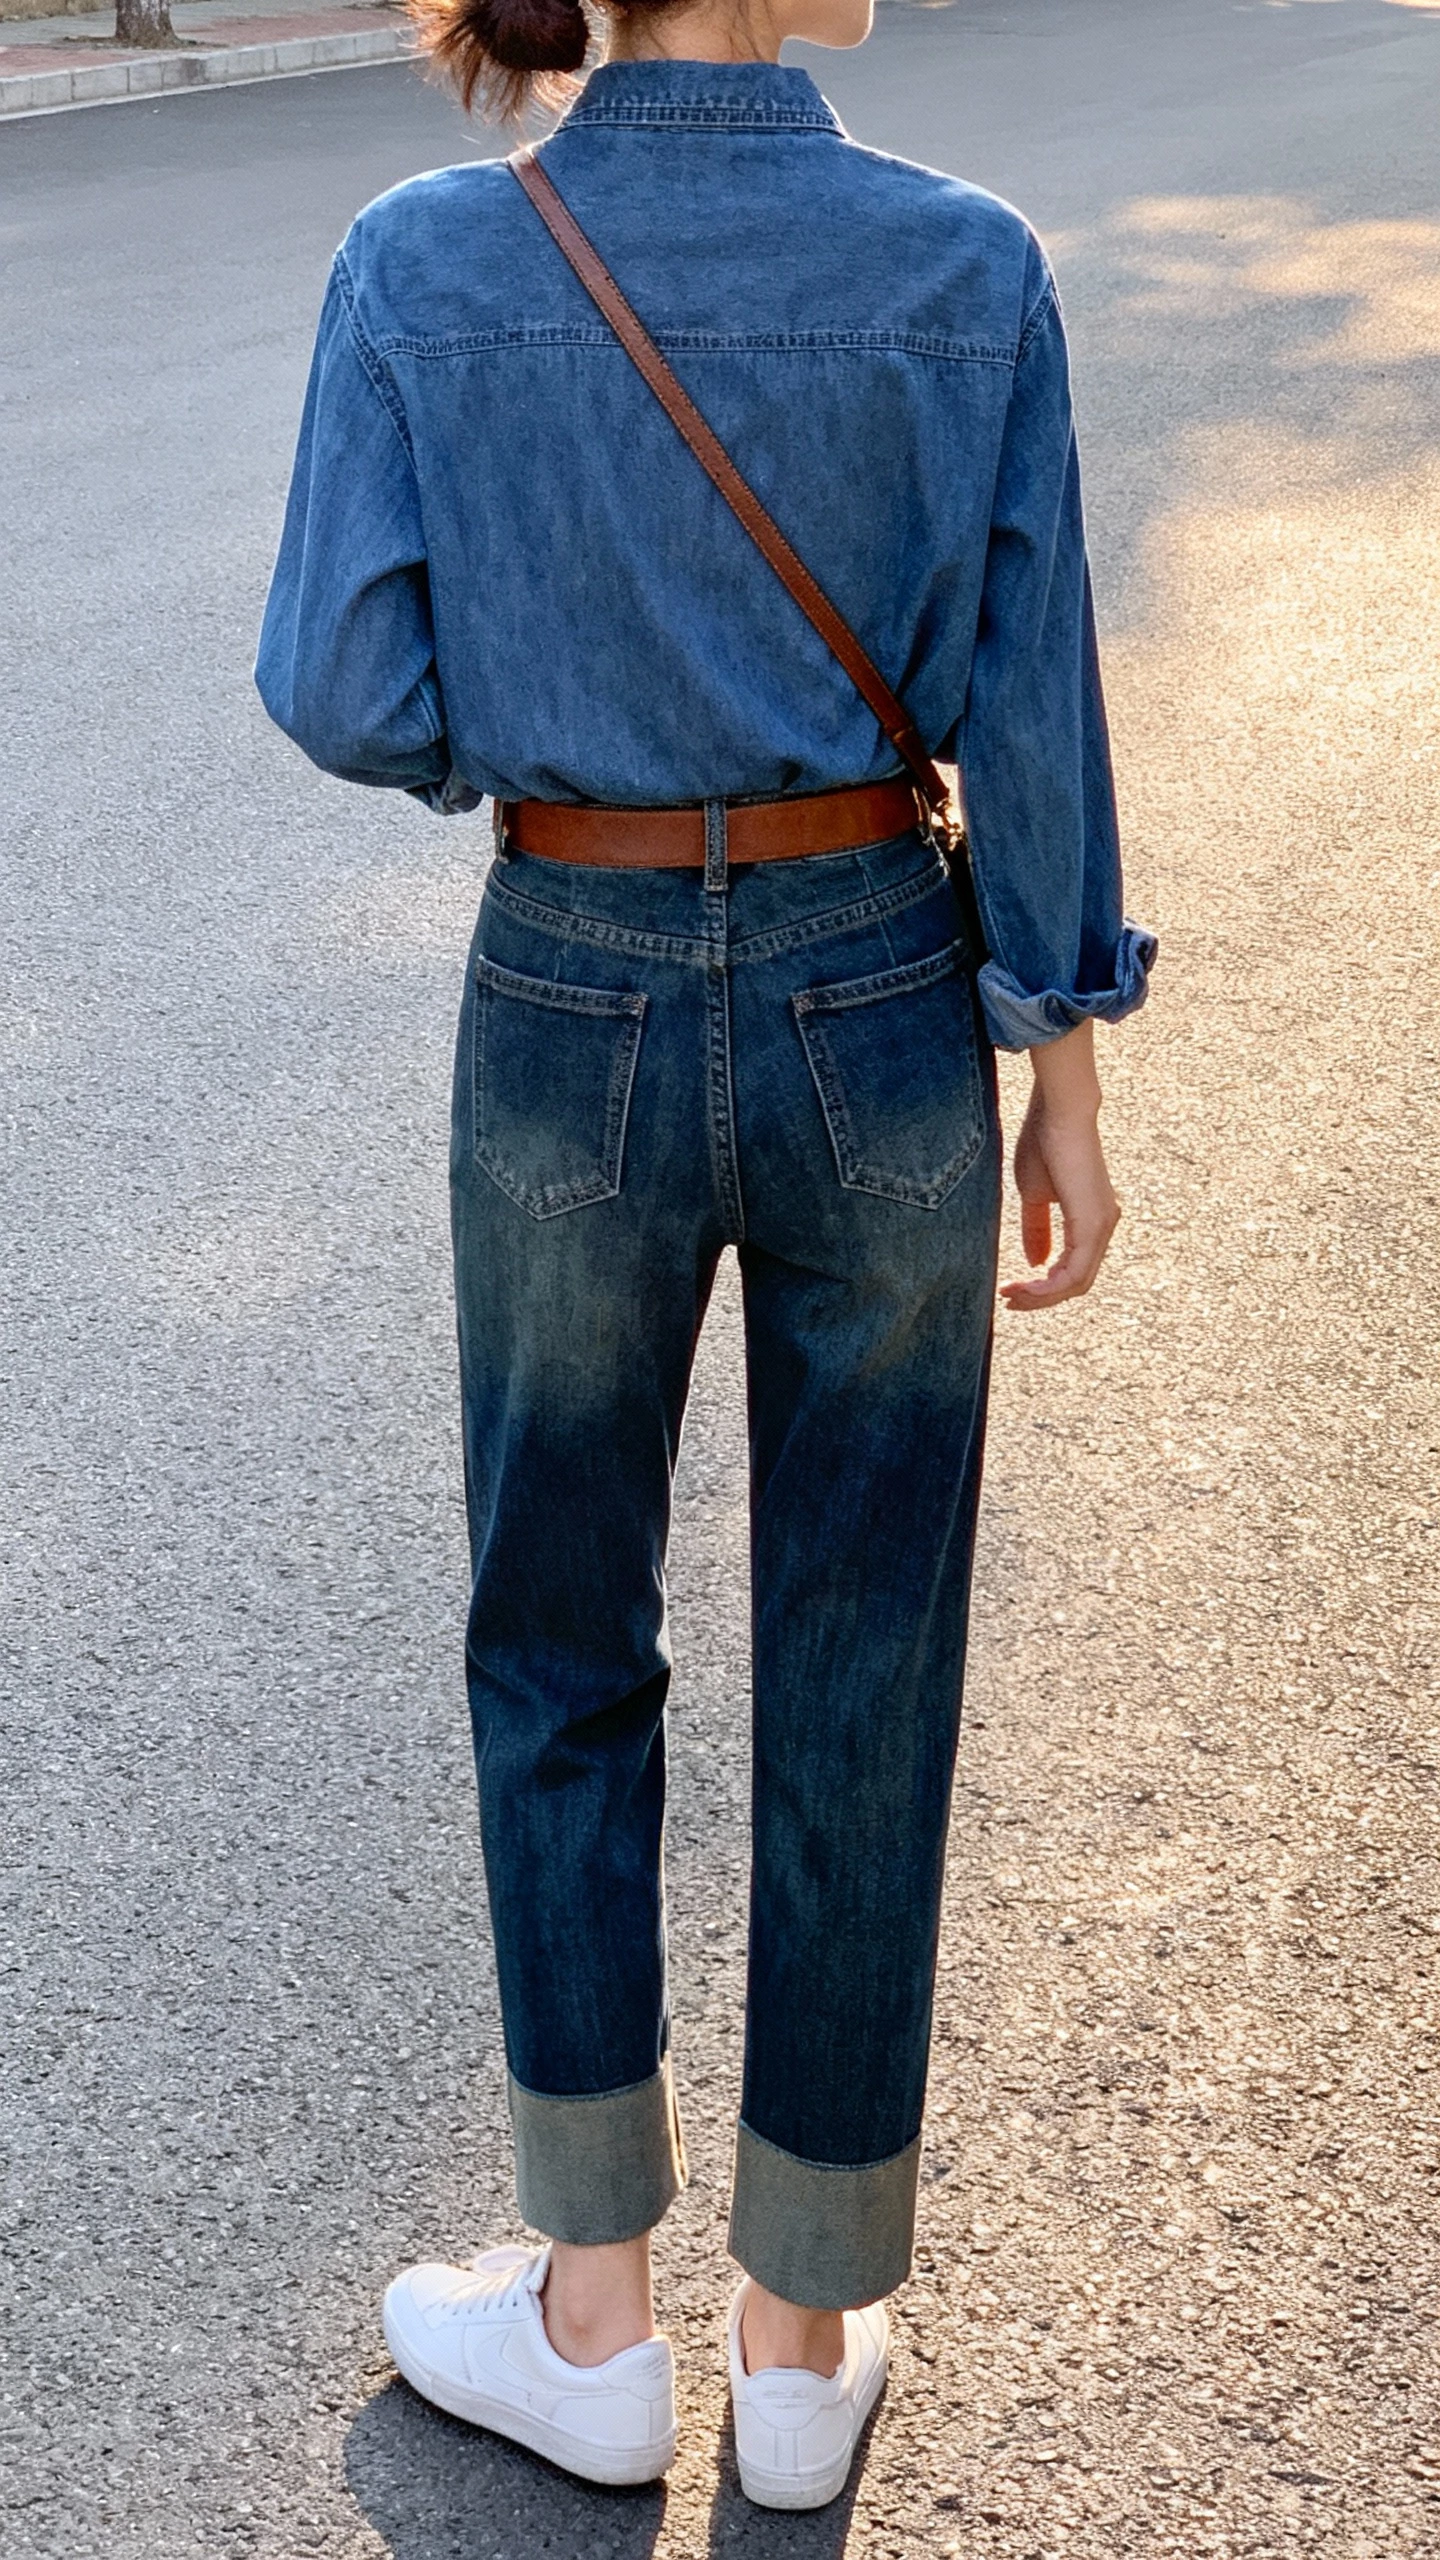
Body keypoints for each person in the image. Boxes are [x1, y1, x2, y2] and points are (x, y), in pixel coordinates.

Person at [256, 0, 1154, 2512]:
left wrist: (546, 718)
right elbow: (1034, 687)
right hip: (885, 983)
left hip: (570, 978)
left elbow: (339, 673)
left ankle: (588, 2317)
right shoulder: (965, 268)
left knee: (560, 1629)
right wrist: (1062, 1038)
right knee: (867, 1651)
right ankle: (800, 2330)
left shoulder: (428, 257)